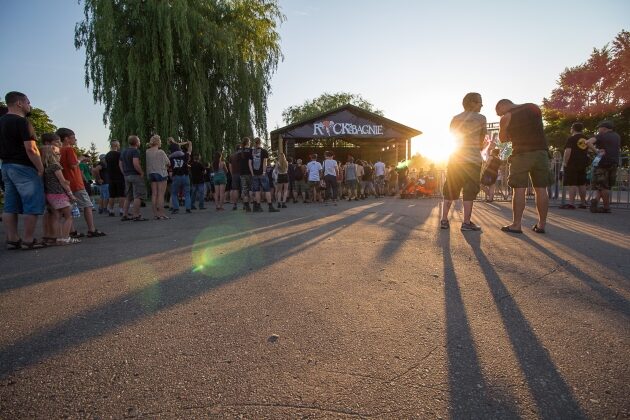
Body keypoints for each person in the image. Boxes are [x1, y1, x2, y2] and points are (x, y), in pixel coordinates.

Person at [495, 99, 550, 234]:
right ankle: (541, 224)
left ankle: (516, 224)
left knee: (519, 189)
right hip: (540, 152)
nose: (499, 115)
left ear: (502, 106)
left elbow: (503, 140)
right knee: (541, 188)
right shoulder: (533, 107)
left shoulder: (507, 117)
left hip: (521, 154)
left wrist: (507, 134)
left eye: (498, 112)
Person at [0, 91, 47, 249]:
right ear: (19, 103)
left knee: (10, 205)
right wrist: (40, 168)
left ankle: (13, 238)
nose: (29, 105)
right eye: (27, 102)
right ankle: (28, 239)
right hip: (24, 166)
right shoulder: (22, 122)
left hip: (6, 166)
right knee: (32, 202)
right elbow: (31, 149)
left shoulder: (1, 121)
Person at [440, 92, 486, 231]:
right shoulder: (481, 118)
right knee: (469, 191)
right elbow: (481, 139)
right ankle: (466, 223)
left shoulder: (455, 118)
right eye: (480, 102)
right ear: (472, 102)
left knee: (450, 189)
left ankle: (444, 220)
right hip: (472, 160)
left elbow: (452, 135)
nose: (482, 105)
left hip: (456, 159)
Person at [58, 127, 106, 237]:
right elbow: (73, 164)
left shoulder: (58, 150)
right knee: (87, 205)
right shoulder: (69, 149)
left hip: (66, 183)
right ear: (66, 139)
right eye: (73, 138)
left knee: (67, 208)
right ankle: (91, 229)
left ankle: (72, 231)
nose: (75, 140)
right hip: (76, 182)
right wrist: (80, 159)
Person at [41, 145, 80, 245]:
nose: (60, 156)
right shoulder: (55, 166)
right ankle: (65, 238)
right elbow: (62, 182)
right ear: (53, 155)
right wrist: (71, 195)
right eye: (58, 154)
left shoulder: (44, 168)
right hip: (59, 194)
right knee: (68, 216)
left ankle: (58, 238)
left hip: (50, 195)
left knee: (56, 216)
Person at [587, 120, 621, 213]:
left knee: (603, 186)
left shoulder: (601, 136)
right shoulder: (617, 136)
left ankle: (606, 207)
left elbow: (588, 142)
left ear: (604, 128)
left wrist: (596, 151)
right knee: (604, 186)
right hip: (614, 163)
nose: (598, 129)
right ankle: (595, 202)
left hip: (602, 164)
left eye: (599, 128)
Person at [560, 122, 589, 209]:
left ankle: (571, 203)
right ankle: (583, 203)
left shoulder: (571, 138)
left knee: (572, 183)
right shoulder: (586, 138)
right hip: (583, 163)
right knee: (582, 184)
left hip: (572, 163)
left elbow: (568, 151)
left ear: (573, 128)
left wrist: (565, 162)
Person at [120, 135, 147, 221]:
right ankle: (136, 215)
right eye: (139, 140)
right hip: (135, 175)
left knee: (128, 196)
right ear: (136, 142)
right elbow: (135, 163)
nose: (139, 142)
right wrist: (141, 172)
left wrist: (124, 173)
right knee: (138, 196)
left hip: (127, 175)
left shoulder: (124, 151)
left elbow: (120, 163)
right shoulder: (135, 151)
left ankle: (125, 214)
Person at [249, 137, 279, 212]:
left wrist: (252, 173)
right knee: (267, 190)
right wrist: (264, 172)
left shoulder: (251, 151)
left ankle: (258, 207)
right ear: (260, 143)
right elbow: (264, 163)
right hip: (262, 174)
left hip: (254, 174)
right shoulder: (264, 151)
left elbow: (249, 163)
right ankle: (270, 207)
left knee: (257, 191)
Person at [146, 134, 170, 219]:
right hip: (161, 173)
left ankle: (155, 214)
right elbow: (168, 162)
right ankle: (162, 214)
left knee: (154, 194)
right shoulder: (161, 152)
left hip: (151, 174)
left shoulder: (147, 151)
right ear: (158, 142)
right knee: (161, 194)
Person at [169, 141, 192, 214]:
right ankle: (188, 208)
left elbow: (168, 166)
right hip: (185, 176)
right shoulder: (184, 155)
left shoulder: (170, 158)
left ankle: (176, 208)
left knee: (174, 193)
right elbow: (189, 151)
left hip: (176, 177)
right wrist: (190, 144)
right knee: (187, 193)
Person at [105, 140, 125, 217]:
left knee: (112, 195)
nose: (119, 146)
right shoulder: (119, 154)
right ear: (116, 145)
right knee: (122, 194)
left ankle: (111, 210)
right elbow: (121, 164)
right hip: (119, 176)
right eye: (119, 144)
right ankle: (121, 210)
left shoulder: (107, 155)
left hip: (110, 176)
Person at [237, 137, 253, 212]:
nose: (250, 142)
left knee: (244, 189)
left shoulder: (239, 151)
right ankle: (250, 204)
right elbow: (251, 163)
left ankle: (246, 205)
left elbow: (238, 163)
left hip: (242, 173)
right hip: (249, 173)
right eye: (249, 141)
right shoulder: (251, 150)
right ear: (248, 142)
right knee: (250, 189)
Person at [228, 145, 242, 210]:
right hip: (242, 174)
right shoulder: (242, 154)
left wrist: (232, 174)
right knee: (244, 189)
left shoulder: (232, 156)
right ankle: (245, 204)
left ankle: (234, 205)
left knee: (235, 190)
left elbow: (230, 166)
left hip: (234, 174)